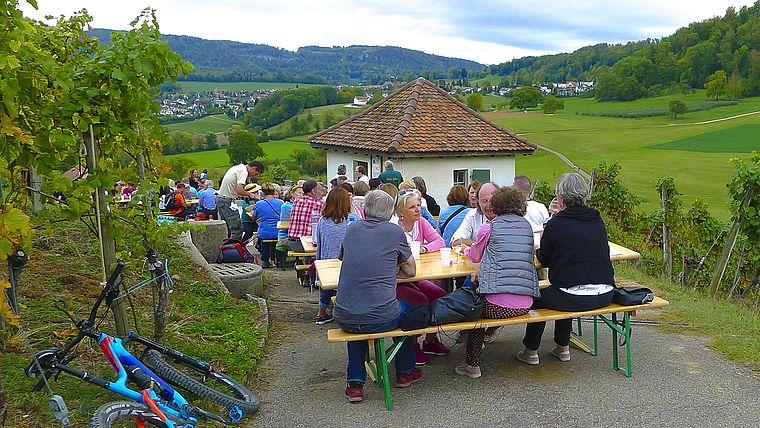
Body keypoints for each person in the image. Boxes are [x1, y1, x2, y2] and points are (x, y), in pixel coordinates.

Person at [518, 173, 615, 365]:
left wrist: (539, 248)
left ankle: (531, 351)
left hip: (572, 297)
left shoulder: (556, 224)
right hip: (606, 294)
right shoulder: (597, 219)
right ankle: (562, 347)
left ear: (561, 199)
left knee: (540, 297)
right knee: (565, 287)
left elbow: (544, 259)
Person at [333, 190, 420, 403]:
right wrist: (393, 265)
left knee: (358, 315)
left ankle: (355, 385)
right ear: (390, 211)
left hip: (344, 316)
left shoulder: (352, 228)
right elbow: (411, 272)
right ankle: (405, 371)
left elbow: (348, 259)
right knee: (409, 312)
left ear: (365, 210)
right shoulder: (393, 232)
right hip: (383, 317)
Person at [454, 187, 540, 378]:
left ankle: (472, 364)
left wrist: (464, 249)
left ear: (496, 205)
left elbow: (474, 257)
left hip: (497, 306)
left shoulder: (489, 227)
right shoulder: (526, 226)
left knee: (475, 313)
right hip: (526, 302)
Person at [393, 189, 450, 365]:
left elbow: (440, 242)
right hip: (397, 280)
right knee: (420, 301)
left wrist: (424, 248)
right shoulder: (393, 227)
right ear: (401, 212)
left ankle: (430, 341)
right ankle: (413, 345)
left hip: (416, 276)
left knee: (441, 296)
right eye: (412, 207)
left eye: (418, 205)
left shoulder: (422, 222)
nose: (418, 209)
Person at [315, 188, 360, 324]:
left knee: (327, 286)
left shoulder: (322, 221)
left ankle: (321, 312)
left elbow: (320, 245)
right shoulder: (354, 220)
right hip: (349, 265)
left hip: (327, 264)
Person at [216, 160, 265, 239]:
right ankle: (234, 248)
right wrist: (250, 194)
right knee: (237, 228)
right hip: (226, 201)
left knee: (228, 229)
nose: (253, 176)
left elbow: (234, 190)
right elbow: (239, 190)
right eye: (255, 174)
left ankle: (227, 248)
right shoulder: (243, 171)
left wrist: (242, 197)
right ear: (254, 167)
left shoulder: (237, 167)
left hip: (222, 199)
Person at [450, 182, 499, 246]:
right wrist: (482, 245)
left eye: (492, 200)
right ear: (478, 202)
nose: (489, 205)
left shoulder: (507, 216)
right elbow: (455, 241)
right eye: (484, 201)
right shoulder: (472, 215)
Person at [252, 183, 284, 268]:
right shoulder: (281, 202)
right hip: (278, 232)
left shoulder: (259, 204)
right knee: (275, 240)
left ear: (263, 193)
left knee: (264, 241)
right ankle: (278, 260)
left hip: (264, 232)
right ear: (274, 192)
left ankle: (264, 260)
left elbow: (254, 217)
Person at [287, 180, 325, 252]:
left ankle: (303, 262)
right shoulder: (319, 205)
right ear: (313, 191)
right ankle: (311, 262)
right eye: (320, 190)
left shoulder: (297, 200)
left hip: (292, 242)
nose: (322, 193)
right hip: (307, 243)